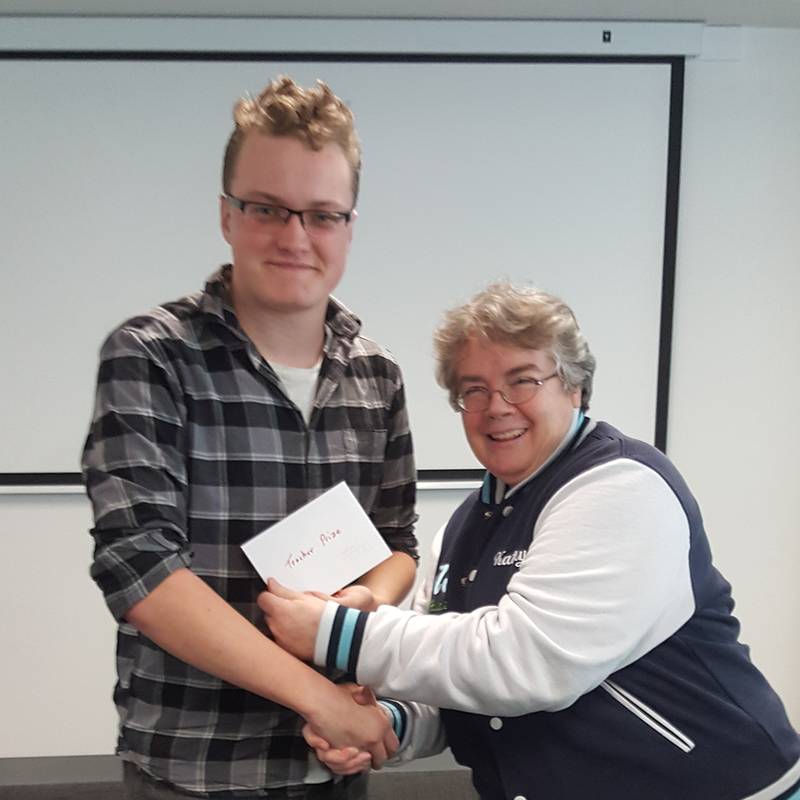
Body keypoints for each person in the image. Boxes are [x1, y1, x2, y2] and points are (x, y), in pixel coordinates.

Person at [260, 282, 800, 800]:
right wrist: (387, 723)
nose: (496, 406)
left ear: (574, 385)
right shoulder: (467, 523)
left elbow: (526, 663)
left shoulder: (623, 487)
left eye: (522, 380)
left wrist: (336, 632)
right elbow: (456, 680)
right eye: (473, 389)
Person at [82, 76, 419, 799]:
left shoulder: (378, 375)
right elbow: (141, 572)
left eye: (322, 215)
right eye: (268, 208)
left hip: (335, 758)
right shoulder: (150, 356)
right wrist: (320, 696)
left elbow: (399, 545)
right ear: (227, 215)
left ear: (349, 227)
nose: (296, 237)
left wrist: (363, 604)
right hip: (197, 769)